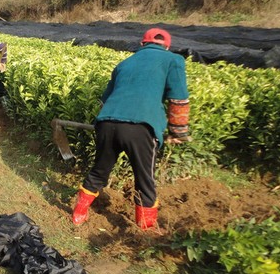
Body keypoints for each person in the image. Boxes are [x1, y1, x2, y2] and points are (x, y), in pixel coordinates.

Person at [71, 28, 190, 232]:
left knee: (99, 171)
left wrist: (111, 123)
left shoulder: (124, 63)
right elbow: (178, 98)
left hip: (107, 122)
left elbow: (105, 99)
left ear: (142, 44)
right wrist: (178, 132)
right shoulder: (173, 60)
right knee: (145, 180)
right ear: (167, 47)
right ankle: (144, 229)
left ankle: (78, 215)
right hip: (141, 127)